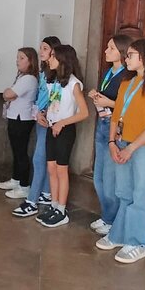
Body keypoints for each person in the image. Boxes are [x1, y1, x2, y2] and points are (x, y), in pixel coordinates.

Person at [95, 38, 145, 263]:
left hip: (142, 147)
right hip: (121, 143)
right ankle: (119, 234)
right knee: (123, 192)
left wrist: (131, 148)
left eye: (130, 55)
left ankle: (137, 242)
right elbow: (116, 116)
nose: (126, 58)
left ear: (144, 57)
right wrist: (112, 143)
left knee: (141, 194)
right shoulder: (127, 83)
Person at [36, 44, 89, 228]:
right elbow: (53, 104)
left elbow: (84, 113)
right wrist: (43, 114)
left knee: (61, 170)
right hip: (52, 127)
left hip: (65, 130)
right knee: (51, 168)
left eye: (53, 56)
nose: (49, 59)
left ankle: (61, 209)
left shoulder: (74, 84)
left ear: (63, 60)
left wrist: (62, 123)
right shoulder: (54, 81)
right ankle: (53, 204)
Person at [87, 35, 133, 237]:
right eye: (107, 47)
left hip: (116, 127)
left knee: (110, 178)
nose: (106, 51)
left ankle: (111, 219)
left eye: (111, 48)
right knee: (98, 176)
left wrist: (108, 103)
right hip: (103, 123)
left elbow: (129, 106)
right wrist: (97, 97)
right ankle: (107, 215)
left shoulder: (127, 76)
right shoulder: (109, 72)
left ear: (122, 52)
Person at [11, 36, 62, 218]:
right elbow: (39, 98)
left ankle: (32, 201)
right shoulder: (43, 73)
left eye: (45, 48)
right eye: (41, 48)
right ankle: (45, 193)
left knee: (40, 159)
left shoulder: (58, 75)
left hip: (50, 121)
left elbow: (56, 99)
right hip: (40, 119)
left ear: (54, 51)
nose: (41, 51)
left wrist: (45, 113)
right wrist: (38, 112)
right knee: (44, 159)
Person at [0, 47, 39, 201]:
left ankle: (24, 186)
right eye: (17, 58)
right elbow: (8, 95)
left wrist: (9, 93)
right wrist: (9, 94)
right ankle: (15, 179)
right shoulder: (22, 77)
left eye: (22, 58)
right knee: (16, 150)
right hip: (15, 117)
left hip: (22, 119)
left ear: (31, 61)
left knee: (21, 152)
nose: (17, 61)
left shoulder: (29, 79)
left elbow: (9, 94)